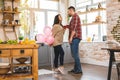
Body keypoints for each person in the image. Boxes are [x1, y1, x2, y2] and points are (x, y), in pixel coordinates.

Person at [67, 6, 83, 74]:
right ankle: (76, 68)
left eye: (68, 11)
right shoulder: (73, 18)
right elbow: (71, 27)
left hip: (75, 37)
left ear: (71, 10)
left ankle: (79, 69)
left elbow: (74, 29)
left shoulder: (75, 16)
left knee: (75, 54)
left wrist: (70, 38)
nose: (68, 12)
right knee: (74, 54)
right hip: (75, 37)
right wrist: (66, 26)